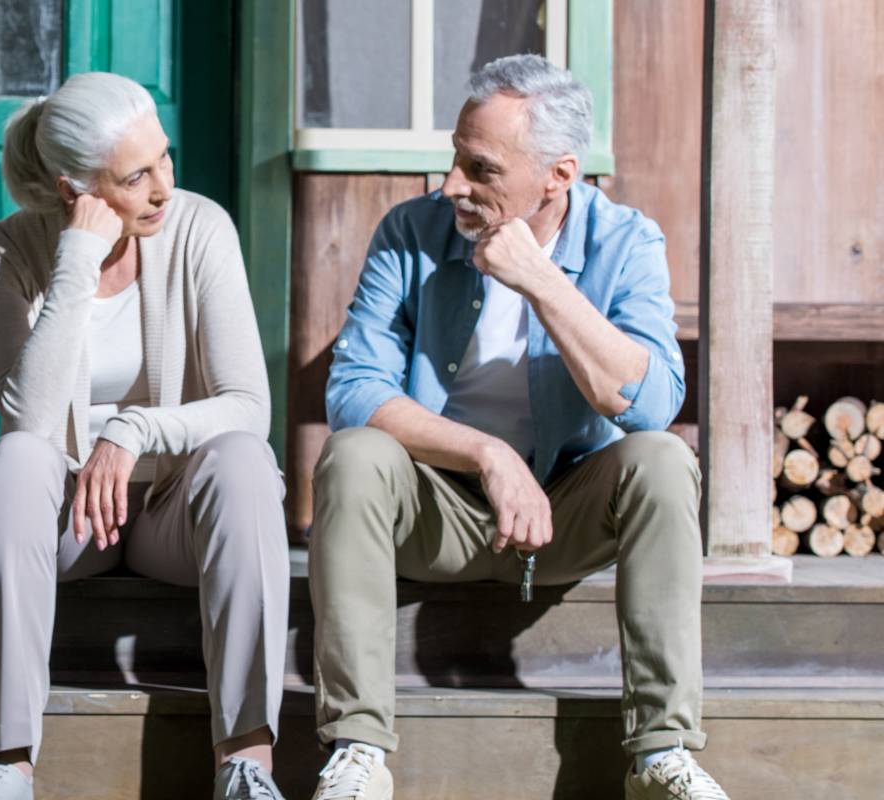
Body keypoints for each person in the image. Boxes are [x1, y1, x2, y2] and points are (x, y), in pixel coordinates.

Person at [306, 54, 728, 800]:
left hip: (565, 514)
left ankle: (662, 754)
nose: (452, 186)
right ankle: (360, 750)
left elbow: (651, 401)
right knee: (354, 455)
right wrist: (488, 454)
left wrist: (538, 280)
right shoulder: (411, 232)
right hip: (439, 510)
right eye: (454, 160)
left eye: (480, 168)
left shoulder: (625, 242)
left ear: (558, 176)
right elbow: (354, 389)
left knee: (662, 459)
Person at [0, 71, 290, 800]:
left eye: (164, 159)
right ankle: (6, 767)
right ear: (75, 188)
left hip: (173, 514)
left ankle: (247, 765)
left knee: (245, 460)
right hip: (69, 521)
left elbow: (247, 405)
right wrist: (76, 262)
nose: (165, 186)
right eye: (137, 177)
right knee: (14, 461)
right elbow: (30, 421)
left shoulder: (201, 228)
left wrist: (133, 430)